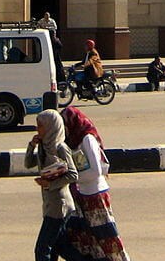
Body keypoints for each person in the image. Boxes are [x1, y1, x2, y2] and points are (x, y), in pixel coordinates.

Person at [61, 107, 131, 261]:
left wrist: (74, 178)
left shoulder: (87, 139)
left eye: (65, 125)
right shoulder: (74, 140)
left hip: (96, 195)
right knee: (94, 241)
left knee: (107, 236)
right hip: (84, 195)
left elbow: (96, 170)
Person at [25, 109, 89, 261]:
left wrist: (50, 183)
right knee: (60, 248)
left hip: (59, 205)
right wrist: (31, 145)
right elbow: (28, 164)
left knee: (42, 249)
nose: (37, 129)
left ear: (51, 127)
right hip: (49, 203)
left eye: (40, 125)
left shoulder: (61, 148)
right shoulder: (44, 146)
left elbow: (73, 175)